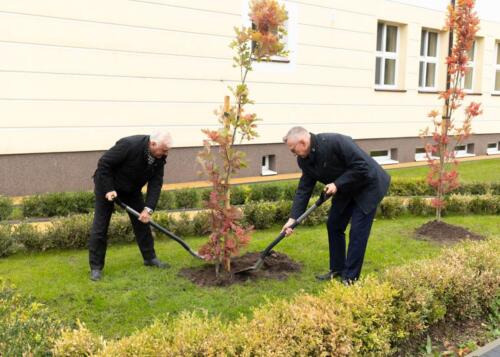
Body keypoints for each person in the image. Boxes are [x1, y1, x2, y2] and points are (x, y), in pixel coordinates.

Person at [281, 126, 390, 285]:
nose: (293, 153)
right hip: (345, 188)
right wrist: (293, 219)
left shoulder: (335, 142)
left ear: (303, 142)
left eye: (292, 149)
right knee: (334, 225)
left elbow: (362, 166)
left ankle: (350, 277)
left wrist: (337, 184)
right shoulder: (304, 159)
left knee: (358, 231)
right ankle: (337, 269)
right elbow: (304, 188)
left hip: (369, 185)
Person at [88, 131, 172, 281]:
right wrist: (108, 189)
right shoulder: (129, 145)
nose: (166, 153)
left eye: (167, 150)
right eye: (164, 150)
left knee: (142, 222)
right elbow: (104, 164)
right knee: (100, 226)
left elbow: (156, 183)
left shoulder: (160, 156)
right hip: (107, 186)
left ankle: (150, 258)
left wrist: (148, 209)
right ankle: (96, 268)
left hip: (131, 190)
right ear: (153, 144)